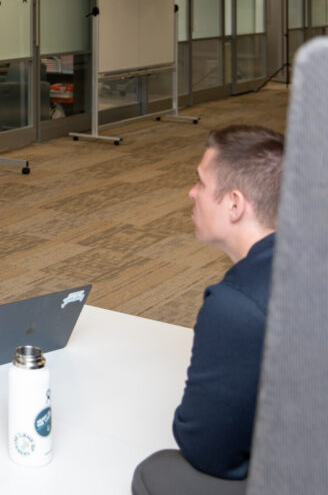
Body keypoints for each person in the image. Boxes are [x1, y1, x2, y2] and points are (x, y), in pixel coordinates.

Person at [132, 125, 284, 495]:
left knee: (155, 473)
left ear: (234, 203)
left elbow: (208, 451)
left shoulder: (236, 304)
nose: (191, 192)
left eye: (200, 182)